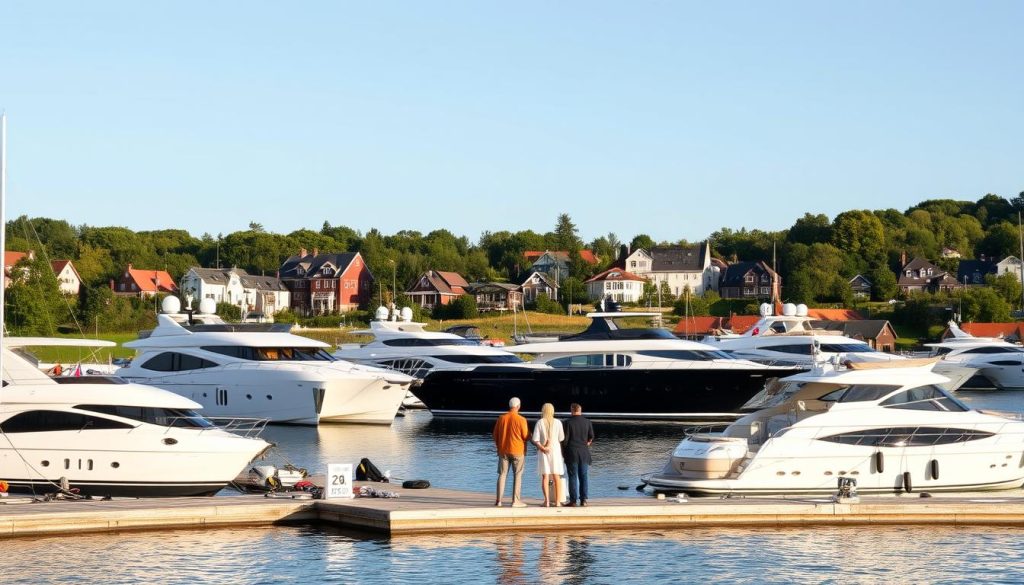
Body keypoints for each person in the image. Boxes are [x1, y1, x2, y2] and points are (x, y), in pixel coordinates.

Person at [493, 397, 531, 507]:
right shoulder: (522, 420)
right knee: (517, 475)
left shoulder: (501, 418)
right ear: (518, 406)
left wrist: (499, 446)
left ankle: (499, 500)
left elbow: (495, 435)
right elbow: (525, 436)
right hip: (518, 451)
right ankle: (516, 501)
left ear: (510, 406)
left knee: (502, 475)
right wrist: (530, 435)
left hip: (503, 450)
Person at [531, 402, 565, 507]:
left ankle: (547, 501)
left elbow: (535, 439)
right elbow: (561, 438)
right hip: (555, 450)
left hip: (543, 451)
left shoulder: (540, 422)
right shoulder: (558, 422)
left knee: (545, 476)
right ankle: (558, 502)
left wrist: (542, 448)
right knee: (556, 476)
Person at [562, 402, 594, 507]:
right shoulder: (587, 422)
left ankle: (573, 501)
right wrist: (586, 444)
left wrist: (563, 452)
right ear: (580, 410)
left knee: (572, 476)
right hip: (584, 453)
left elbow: (564, 440)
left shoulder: (567, 423)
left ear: (572, 410)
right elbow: (591, 437)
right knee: (583, 476)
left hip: (571, 453)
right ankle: (584, 500)